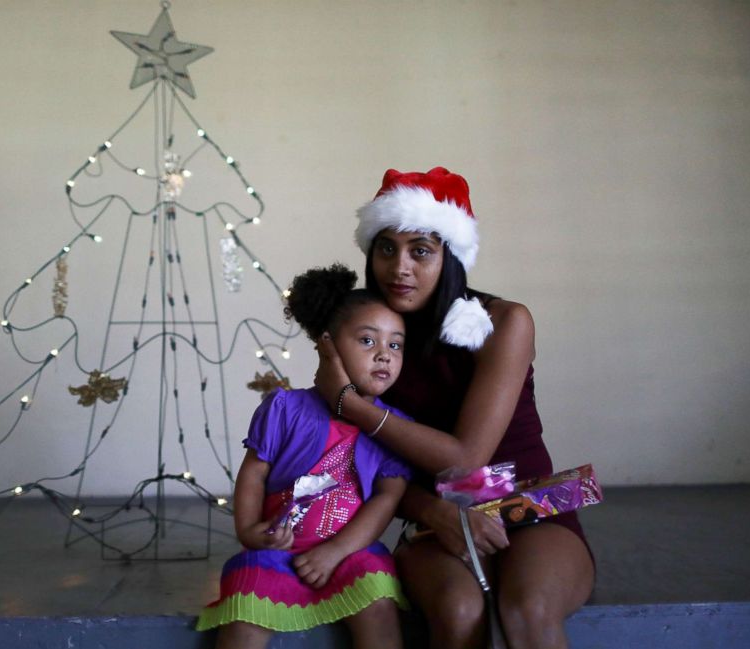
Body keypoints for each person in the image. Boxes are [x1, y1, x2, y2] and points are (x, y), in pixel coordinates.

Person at [315, 167, 595, 649]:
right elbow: (354, 465)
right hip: (432, 515)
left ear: (452, 256)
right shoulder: (369, 334)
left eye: (420, 250)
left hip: (529, 504)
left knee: (528, 609)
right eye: (386, 248)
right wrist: (431, 510)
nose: (400, 267)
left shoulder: (504, 321)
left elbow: (466, 460)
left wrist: (351, 404)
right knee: (459, 610)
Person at [198, 264, 412, 649]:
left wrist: (338, 550)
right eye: (367, 341)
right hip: (277, 548)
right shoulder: (285, 408)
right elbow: (253, 475)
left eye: (395, 345)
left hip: (350, 552)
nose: (384, 355)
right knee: (244, 610)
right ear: (327, 344)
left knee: (379, 601)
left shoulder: (395, 428)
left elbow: (387, 498)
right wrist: (249, 532)